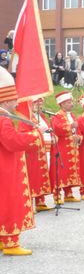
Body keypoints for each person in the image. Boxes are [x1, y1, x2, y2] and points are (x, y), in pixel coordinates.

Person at [0, 67, 42, 256]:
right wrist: (33, 136)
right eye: (14, 99)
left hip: (4, 166)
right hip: (7, 168)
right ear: (6, 99)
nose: (16, 102)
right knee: (9, 202)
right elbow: (12, 141)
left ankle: (4, 239)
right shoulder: (3, 119)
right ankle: (10, 242)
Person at [18, 97, 53, 211]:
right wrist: (38, 131)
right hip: (32, 152)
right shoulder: (25, 118)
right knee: (33, 176)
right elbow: (23, 134)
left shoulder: (41, 117)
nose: (39, 105)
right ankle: (31, 204)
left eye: (40, 103)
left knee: (42, 174)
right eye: (36, 103)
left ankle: (40, 201)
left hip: (43, 150)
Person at [51, 90, 81, 202]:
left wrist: (78, 136)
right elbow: (57, 129)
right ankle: (57, 196)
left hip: (72, 148)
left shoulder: (72, 115)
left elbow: (78, 130)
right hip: (62, 147)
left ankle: (68, 194)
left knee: (70, 170)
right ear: (62, 104)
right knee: (61, 171)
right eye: (69, 102)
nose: (71, 104)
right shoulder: (56, 116)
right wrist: (70, 126)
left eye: (71, 102)